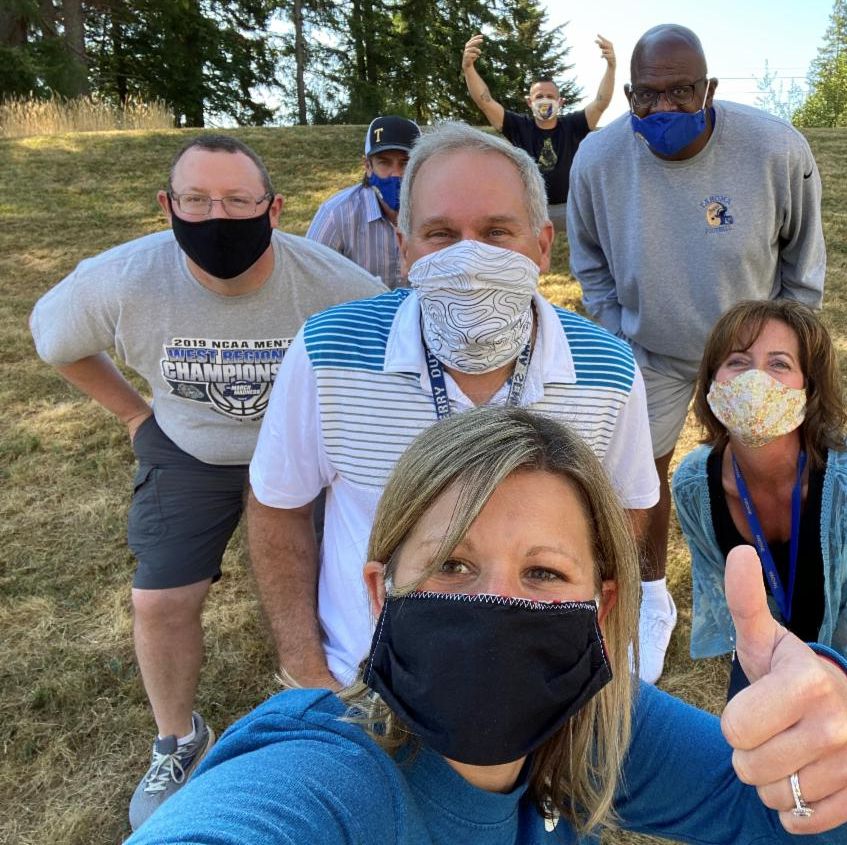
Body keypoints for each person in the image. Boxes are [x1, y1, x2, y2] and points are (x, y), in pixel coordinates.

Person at [126, 407, 847, 844]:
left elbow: (794, 822)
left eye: (543, 573)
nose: (496, 603)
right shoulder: (326, 771)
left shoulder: (598, 725)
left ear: (599, 607)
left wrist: (846, 733)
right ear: (380, 593)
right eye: (453, 564)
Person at [27, 134, 386, 830]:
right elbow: (53, 338)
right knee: (160, 598)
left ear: (274, 209)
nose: (217, 216)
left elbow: (384, 348)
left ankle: (340, 711)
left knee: (343, 587)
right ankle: (177, 739)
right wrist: (133, 415)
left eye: (238, 200)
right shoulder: (125, 276)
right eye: (197, 200)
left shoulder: (331, 281)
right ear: (167, 207)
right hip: (188, 447)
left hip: (299, 456)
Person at [247, 122, 661, 692]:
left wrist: (590, 662)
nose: (469, 257)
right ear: (405, 250)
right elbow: (278, 507)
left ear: (543, 245)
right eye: (440, 234)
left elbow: (625, 515)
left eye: (496, 232)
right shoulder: (328, 352)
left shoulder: (607, 370)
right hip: (365, 682)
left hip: (539, 687)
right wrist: (310, 673)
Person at [568, 23, 828, 675]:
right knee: (637, 478)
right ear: (629, 95)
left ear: (709, 88)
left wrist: (779, 346)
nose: (664, 109)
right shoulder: (597, 159)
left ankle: (773, 591)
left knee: (765, 466)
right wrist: (616, 327)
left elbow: (802, 256)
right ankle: (651, 596)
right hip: (649, 349)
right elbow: (588, 258)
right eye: (647, 96)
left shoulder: (775, 147)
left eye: (681, 92)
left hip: (745, 349)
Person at [672, 300, 847, 762]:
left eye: (779, 364)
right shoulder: (693, 485)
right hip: (782, 624)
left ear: (809, 388)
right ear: (711, 381)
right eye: (737, 361)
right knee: (757, 753)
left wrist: (834, 714)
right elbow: (732, 598)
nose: (754, 379)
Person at [462, 32, 616, 229]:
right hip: (532, 210)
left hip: (570, 208)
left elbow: (601, 102)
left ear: (560, 102)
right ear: (529, 102)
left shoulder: (573, 125)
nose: (545, 100)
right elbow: (485, 102)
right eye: (539, 96)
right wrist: (468, 68)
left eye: (550, 96)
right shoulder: (518, 126)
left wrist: (611, 67)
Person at [307, 115, 422, 288]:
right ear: (368, 166)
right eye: (384, 163)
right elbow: (309, 279)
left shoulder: (441, 211)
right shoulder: (335, 215)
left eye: (405, 163)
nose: (396, 174)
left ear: (420, 165)